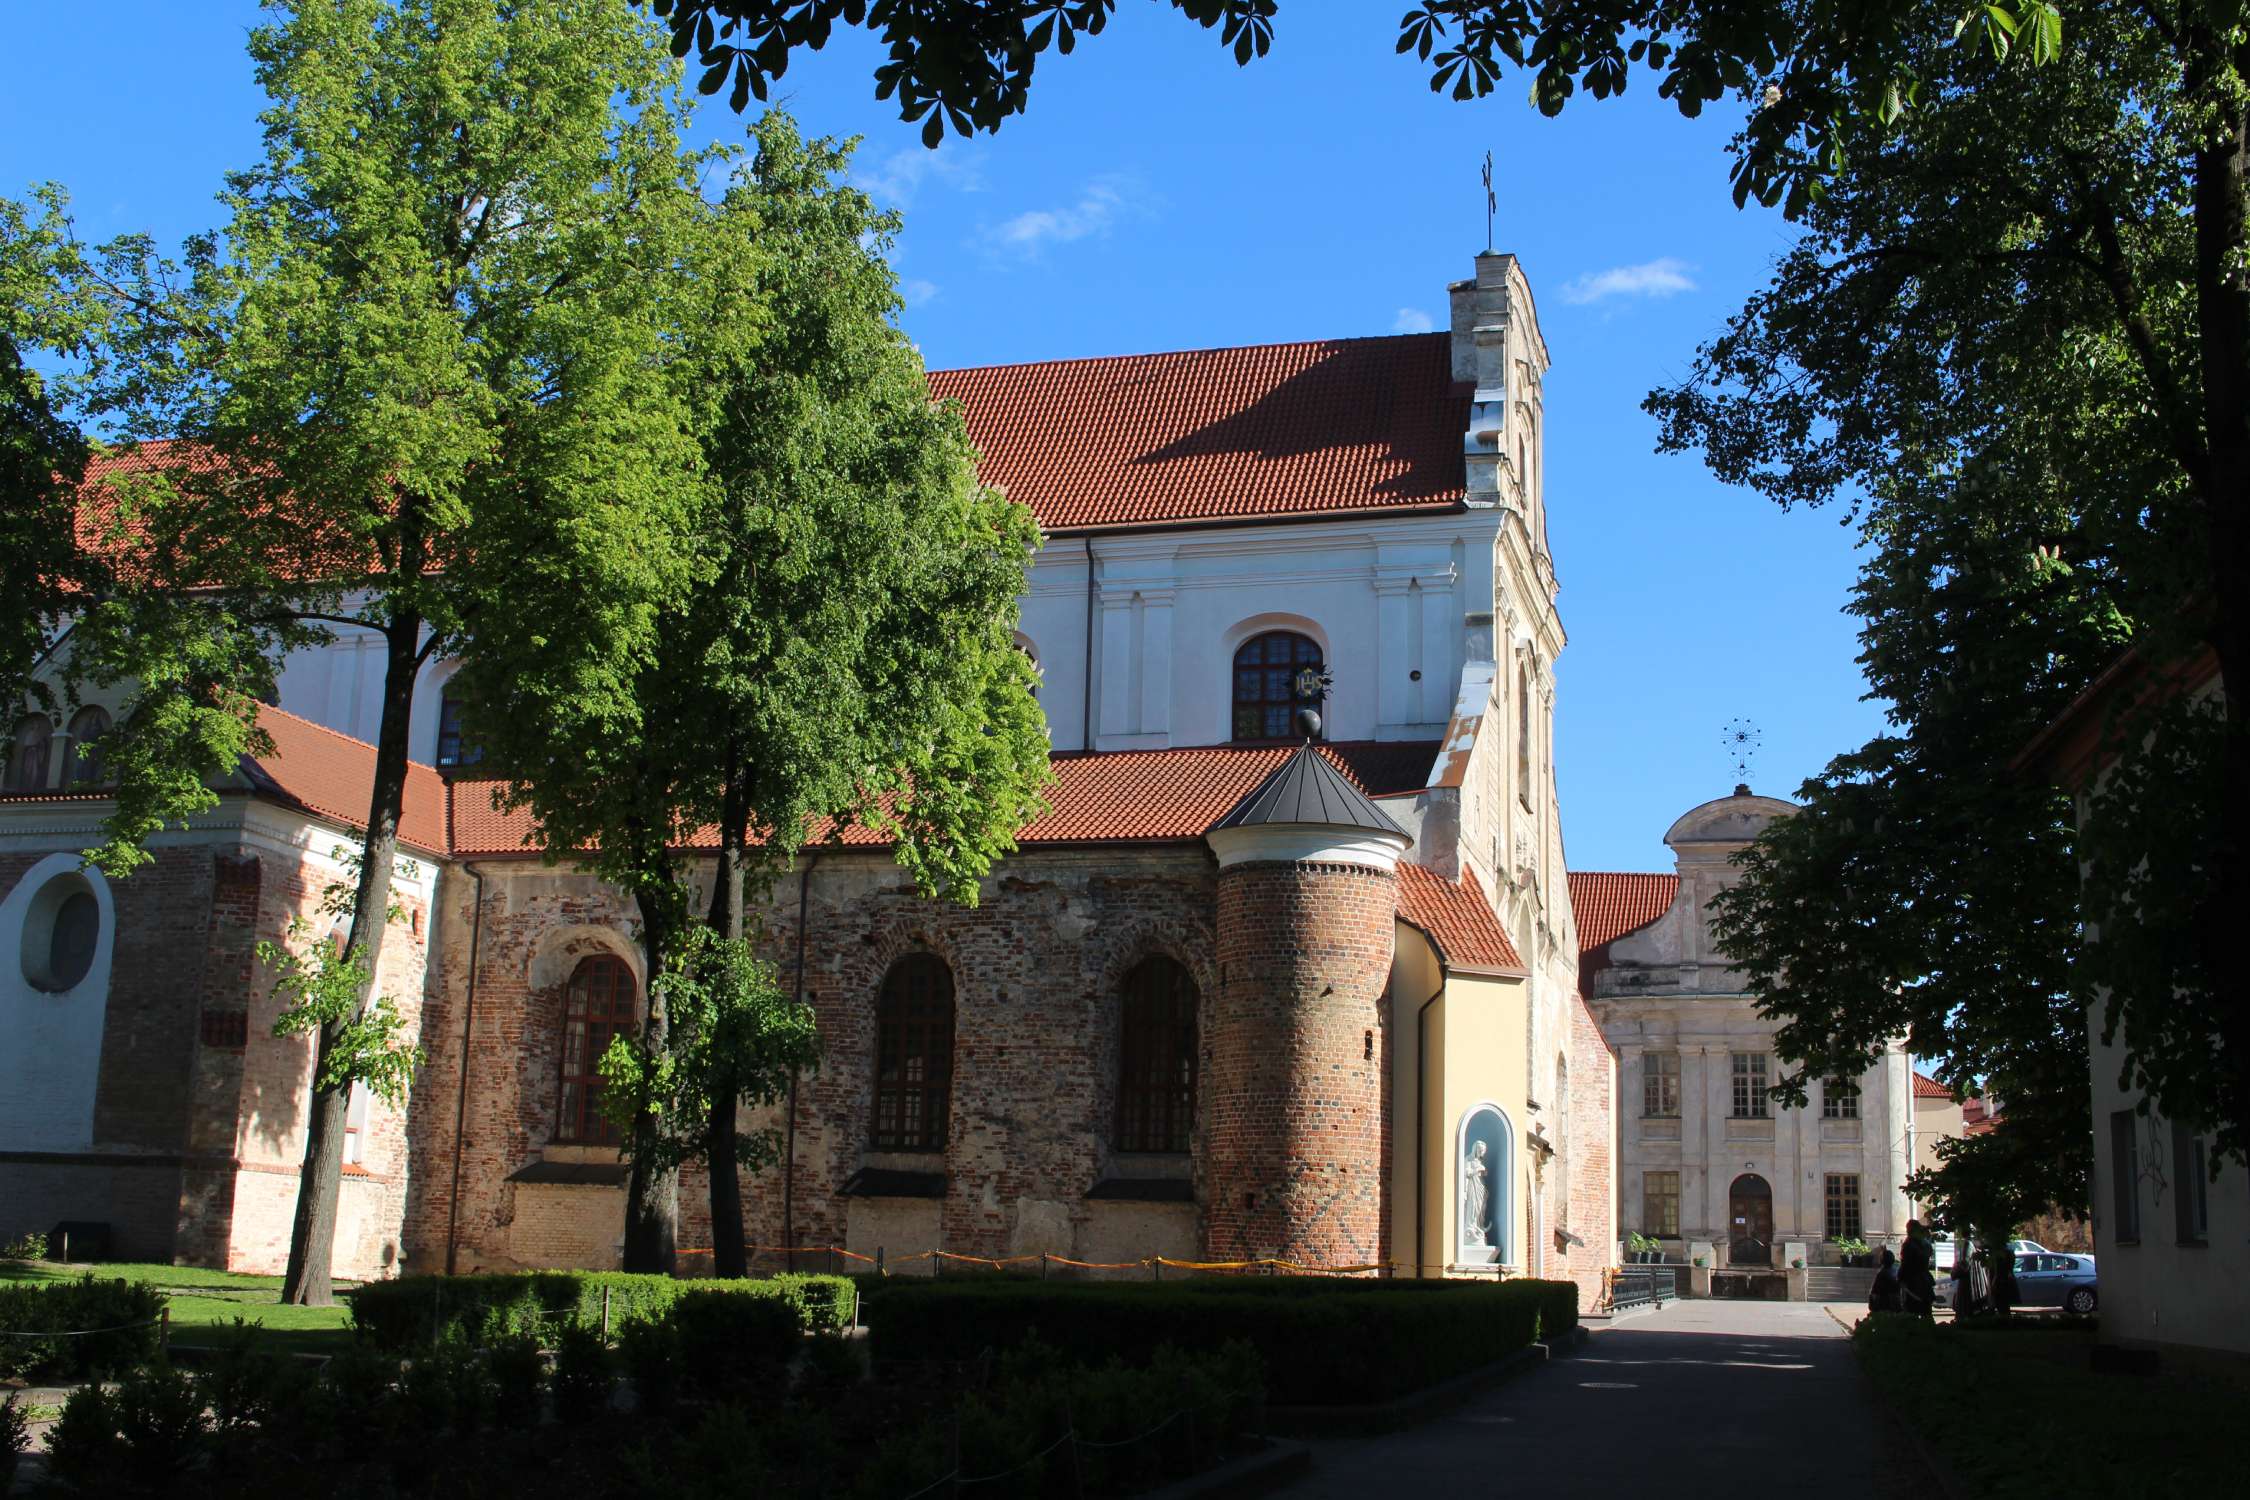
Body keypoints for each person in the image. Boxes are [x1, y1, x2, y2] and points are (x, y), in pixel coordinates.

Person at [1899, 1220, 1938, 1318]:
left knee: (1911, 1312)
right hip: (1925, 1280)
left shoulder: (1908, 1244)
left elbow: (1905, 1264)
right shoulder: (1926, 1244)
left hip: (1912, 1282)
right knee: (1926, 1312)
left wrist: (1900, 1278)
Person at [1868, 1247, 1902, 1314]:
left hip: (1885, 1305)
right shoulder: (1896, 1270)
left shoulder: (1882, 1274)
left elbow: (1875, 1292)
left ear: (1882, 1260)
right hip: (1896, 1304)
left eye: (1880, 1257)